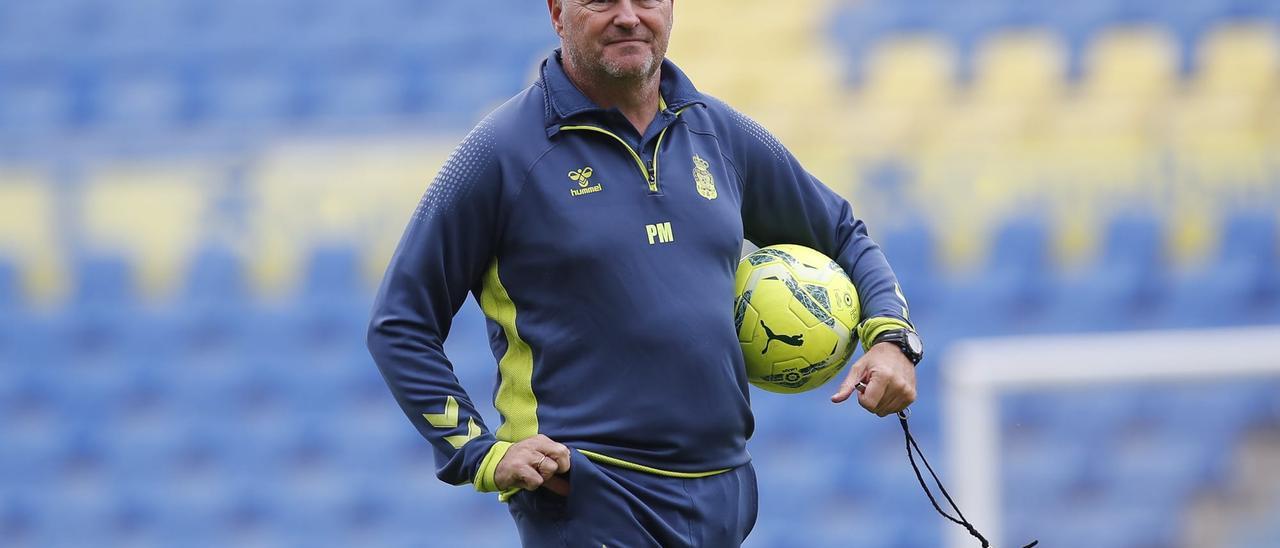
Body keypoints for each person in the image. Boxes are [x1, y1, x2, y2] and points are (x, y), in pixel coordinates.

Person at [366, 0, 922, 545]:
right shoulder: (501, 152)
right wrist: (481, 452)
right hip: (591, 497)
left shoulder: (717, 133)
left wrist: (891, 338)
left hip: (722, 493)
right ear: (558, 12)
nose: (629, 15)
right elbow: (400, 322)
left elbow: (843, 231)